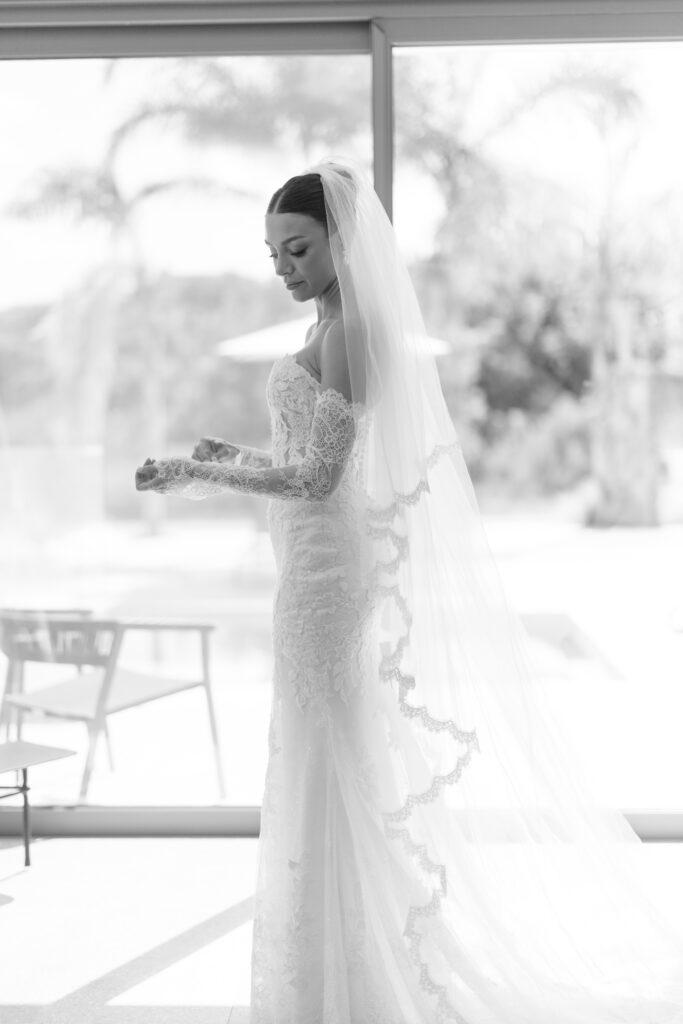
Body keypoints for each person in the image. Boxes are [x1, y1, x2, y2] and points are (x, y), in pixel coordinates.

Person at [136, 158, 683, 1023]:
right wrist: (221, 464)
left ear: (341, 241)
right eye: (272, 251)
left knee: (327, 750)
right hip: (308, 568)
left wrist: (196, 470)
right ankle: (324, 967)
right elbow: (301, 463)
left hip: (326, 573)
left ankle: (352, 979)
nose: (282, 264)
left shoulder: (350, 331)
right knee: (315, 749)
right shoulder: (325, 327)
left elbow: (319, 480)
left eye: (298, 247)